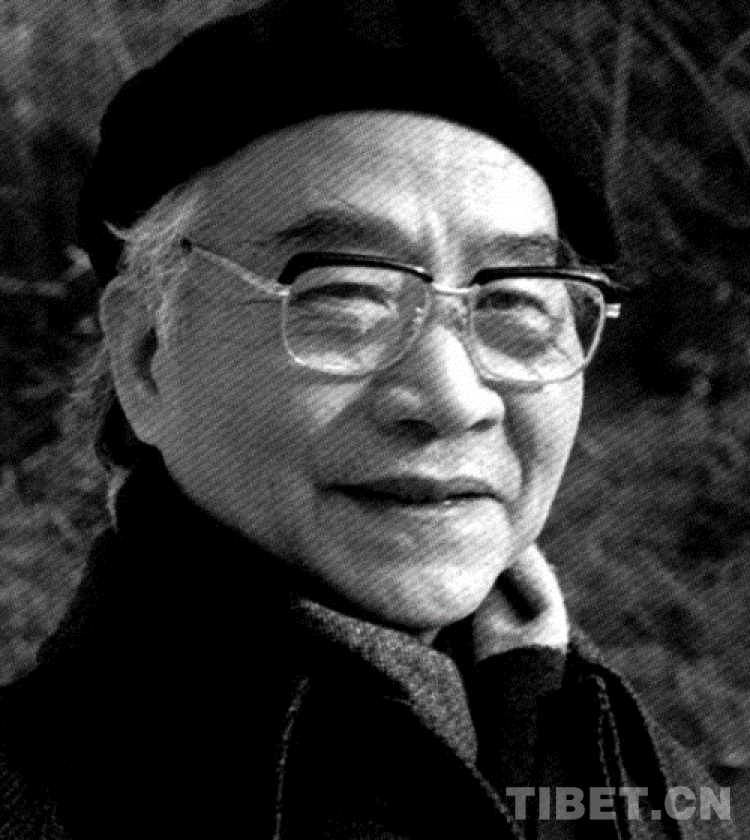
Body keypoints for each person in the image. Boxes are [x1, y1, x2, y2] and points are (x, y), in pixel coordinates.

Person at [0, 1, 736, 838]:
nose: (454, 398)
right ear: (146, 355)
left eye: (515, 304)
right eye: (345, 298)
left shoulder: (644, 779)